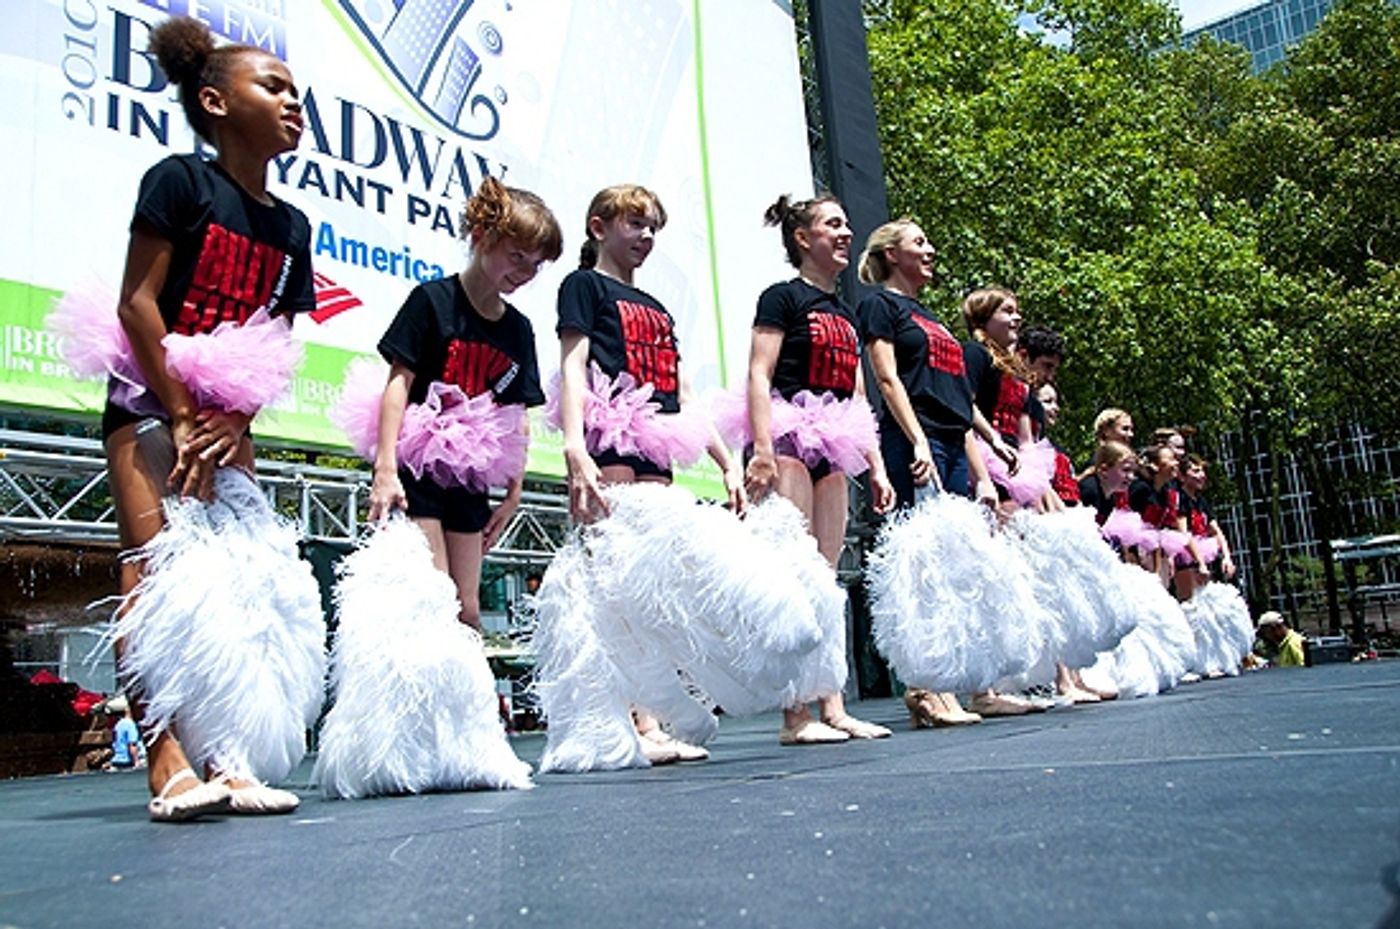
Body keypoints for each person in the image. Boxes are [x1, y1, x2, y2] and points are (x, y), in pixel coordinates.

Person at [101, 16, 317, 821]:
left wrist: (235, 418)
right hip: (154, 402)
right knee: (155, 577)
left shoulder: (292, 225)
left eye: (298, 91)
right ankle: (165, 757)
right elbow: (137, 303)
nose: (293, 103)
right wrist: (185, 414)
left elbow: (274, 342)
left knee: (234, 590)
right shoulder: (180, 181)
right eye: (274, 87)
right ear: (215, 101)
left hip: (229, 421)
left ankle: (227, 753)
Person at [553, 183, 743, 763]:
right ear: (599, 226)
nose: (646, 236)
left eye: (653, 227)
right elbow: (574, 364)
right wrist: (573, 444)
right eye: (635, 224)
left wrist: (725, 460)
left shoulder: (659, 309)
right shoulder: (583, 285)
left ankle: (654, 719)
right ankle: (633, 723)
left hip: (657, 438)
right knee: (616, 584)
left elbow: (681, 390)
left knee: (656, 586)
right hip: (611, 432)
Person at [366, 177, 560, 630]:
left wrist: (513, 492)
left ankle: (475, 699)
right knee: (433, 599)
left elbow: (517, 414)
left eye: (536, 263)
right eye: (517, 256)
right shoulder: (433, 301)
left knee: (467, 609)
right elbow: (399, 382)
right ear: (482, 237)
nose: (526, 271)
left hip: (471, 476)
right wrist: (386, 466)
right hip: (419, 464)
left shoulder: (519, 329)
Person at [743, 194, 895, 745]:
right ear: (803, 237)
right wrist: (762, 447)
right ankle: (794, 714)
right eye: (833, 224)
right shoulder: (782, 298)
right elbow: (759, 373)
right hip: (788, 433)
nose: (846, 232)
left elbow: (856, 394)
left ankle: (833, 704)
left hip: (836, 439)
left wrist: (875, 464)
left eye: (847, 224)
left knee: (826, 581)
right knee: (793, 573)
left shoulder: (846, 312)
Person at [857, 218, 988, 727]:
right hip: (920, 442)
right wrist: (916, 441)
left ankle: (951, 681)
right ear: (892, 254)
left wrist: (988, 450)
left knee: (954, 564)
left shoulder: (929, 316)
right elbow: (887, 380)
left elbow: (958, 396)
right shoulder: (879, 304)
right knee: (924, 565)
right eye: (919, 243)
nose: (930, 250)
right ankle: (926, 684)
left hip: (953, 444)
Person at [109, 698, 142, 770]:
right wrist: (136, 761)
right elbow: (132, 744)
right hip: (127, 761)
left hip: (117, 760)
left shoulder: (118, 724)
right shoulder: (130, 724)